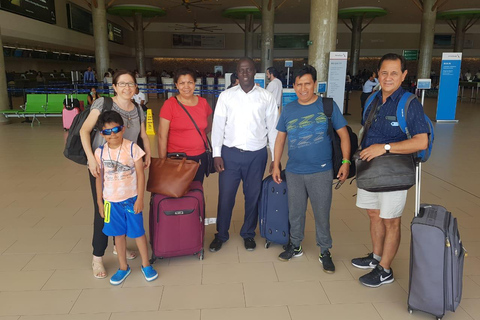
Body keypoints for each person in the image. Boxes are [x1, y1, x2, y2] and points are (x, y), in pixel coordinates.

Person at [351, 53, 429, 287]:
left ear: (404, 75)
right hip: (371, 170)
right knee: (374, 214)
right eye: (384, 72)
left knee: (391, 220)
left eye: (394, 73)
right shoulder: (373, 99)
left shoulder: (409, 103)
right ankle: (376, 257)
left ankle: (385, 269)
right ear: (378, 74)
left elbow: (421, 142)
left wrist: (383, 148)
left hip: (395, 172)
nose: (388, 77)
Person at [272, 65, 350, 273]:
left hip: (321, 171)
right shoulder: (288, 109)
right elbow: (280, 139)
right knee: (295, 213)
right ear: (294, 86)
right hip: (295, 171)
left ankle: (325, 250)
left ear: (315, 84)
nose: (303, 88)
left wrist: (345, 162)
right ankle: (295, 245)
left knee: (321, 213)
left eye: (307, 84)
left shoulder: (327, 106)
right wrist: (275, 164)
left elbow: (343, 135)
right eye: (299, 84)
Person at [80, 70, 151, 279]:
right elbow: (84, 131)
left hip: (128, 171)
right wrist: (91, 160)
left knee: (126, 206)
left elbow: (143, 135)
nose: (127, 88)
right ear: (114, 86)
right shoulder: (103, 104)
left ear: (136, 87)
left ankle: (117, 247)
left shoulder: (138, 108)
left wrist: (148, 155)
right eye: (122, 84)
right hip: (103, 169)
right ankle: (97, 257)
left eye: (130, 84)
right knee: (102, 212)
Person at [210, 57, 278, 252]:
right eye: (242, 70)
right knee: (226, 197)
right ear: (237, 74)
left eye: (249, 70)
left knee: (253, 196)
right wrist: (216, 154)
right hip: (229, 154)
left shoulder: (266, 97)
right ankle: (221, 234)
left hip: (256, 156)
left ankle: (248, 233)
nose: (245, 73)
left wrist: (275, 159)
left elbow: (273, 130)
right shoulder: (226, 96)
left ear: (255, 72)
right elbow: (218, 127)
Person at [95, 110, 158, 285]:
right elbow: (98, 179)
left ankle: (146, 265)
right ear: (102, 133)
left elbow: (140, 173)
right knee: (118, 235)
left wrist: (139, 199)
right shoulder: (99, 153)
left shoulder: (132, 148)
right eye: (107, 132)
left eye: (116, 130)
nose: (112, 135)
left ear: (123, 129)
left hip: (131, 199)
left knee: (138, 233)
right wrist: (100, 202)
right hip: (110, 202)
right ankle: (123, 267)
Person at [158, 67, 213, 183]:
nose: (186, 86)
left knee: (196, 190)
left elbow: (208, 126)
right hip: (177, 158)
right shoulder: (170, 105)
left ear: (195, 84)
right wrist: (163, 161)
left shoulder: (203, 103)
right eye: (182, 83)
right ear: (176, 85)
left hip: (200, 156)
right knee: (177, 191)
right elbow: (162, 136)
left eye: (190, 82)